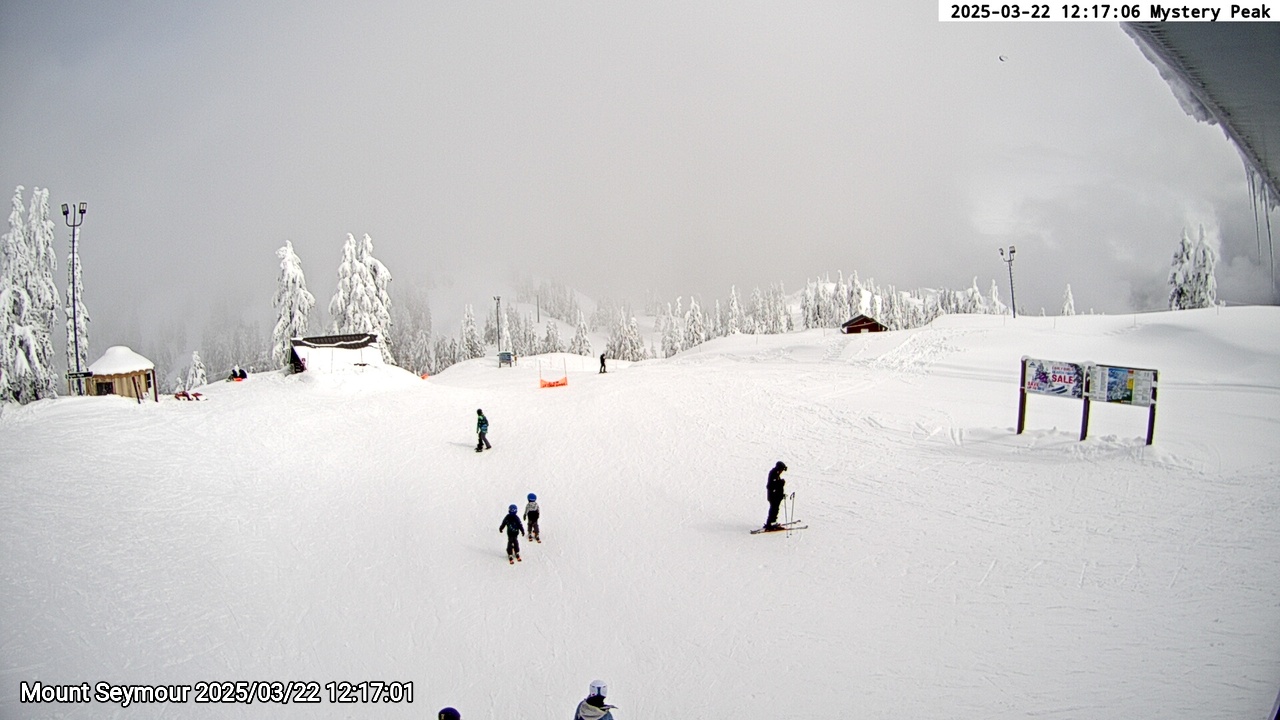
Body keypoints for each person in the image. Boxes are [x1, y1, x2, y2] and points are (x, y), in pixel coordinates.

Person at [764, 461, 787, 530]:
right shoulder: (774, 474)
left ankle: (771, 523)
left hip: (775, 496)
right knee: (774, 509)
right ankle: (770, 524)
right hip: (773, 497)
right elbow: (771, 486)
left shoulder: (775, 473)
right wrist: (781, 483)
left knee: (775, 509)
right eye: (781, 470)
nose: (781, 471)